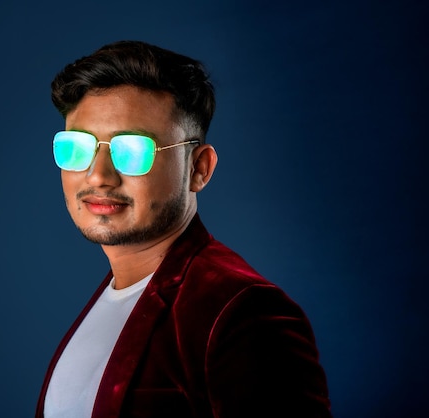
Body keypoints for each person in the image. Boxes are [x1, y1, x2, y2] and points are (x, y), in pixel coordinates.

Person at [36, 40, 331, 418]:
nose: (98, 175)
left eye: (133, 150)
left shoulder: (243, 313)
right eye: (77, 147)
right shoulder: (115, 294)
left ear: (199, 169)